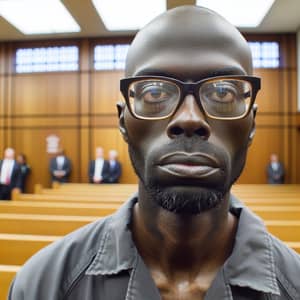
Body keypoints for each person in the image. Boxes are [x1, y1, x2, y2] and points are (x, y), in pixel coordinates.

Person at [8, 6, 300, 300]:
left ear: (251, 124)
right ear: (123, 121)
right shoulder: (41, 286)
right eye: (155, 93)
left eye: (223, 92)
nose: (189, 119)